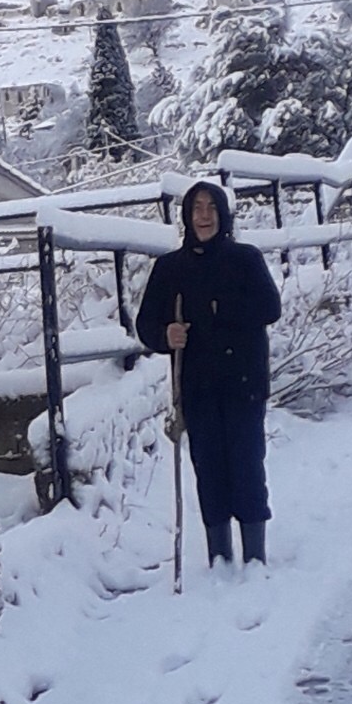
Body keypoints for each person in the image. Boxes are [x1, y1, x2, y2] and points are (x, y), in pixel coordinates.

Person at [136, 180, 282, 567]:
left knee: (248, 464)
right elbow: (146, 324)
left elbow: (270, 307)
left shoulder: (245, 259)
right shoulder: (170, 269)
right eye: (197, 208)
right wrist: (166, 334)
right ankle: (219, 555)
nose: (204, 216)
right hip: (197, 388)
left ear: (223, 214)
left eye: (211, 208)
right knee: (209, 468)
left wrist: (224, 312)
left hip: (243, 383)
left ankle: (254, 555)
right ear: (186, 216)